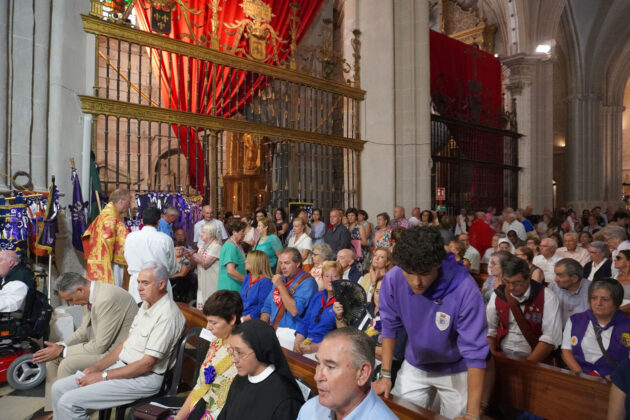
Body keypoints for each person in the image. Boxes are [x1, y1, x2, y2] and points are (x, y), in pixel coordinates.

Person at [373, 226, 488, 420]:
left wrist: (472, 413)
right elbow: (389, 326)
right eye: (409, 272)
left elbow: (475, 352)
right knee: (400, 414)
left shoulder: (464, 288)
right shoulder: (393, 278)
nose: (417, 282)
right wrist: (385, 376)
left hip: (456, 368)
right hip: (415, 363)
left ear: (438, 264)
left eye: (425, 273)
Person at [51, 262, 185, 419]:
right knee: (59, 388)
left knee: (69, 402)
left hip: (143, 379)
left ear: (162, 284)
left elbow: (146, 365)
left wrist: (103, 376)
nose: (139, 288)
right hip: (122, 367)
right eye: (139, 282)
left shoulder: (167, 315)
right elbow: (124, 344)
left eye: (145, 283)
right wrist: (96, 368)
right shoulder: (147, 305)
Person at [33, 273, 138, 414]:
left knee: (67, 363)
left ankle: (69, 411)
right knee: (51, 361)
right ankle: (54, 411)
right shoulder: (88, 296)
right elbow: (83, 331)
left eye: (70, 300)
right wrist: (61, 346)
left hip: (116, 353)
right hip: (100, 347)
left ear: (80, 290)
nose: (71, 304)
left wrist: (61, 352)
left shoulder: (106, 298)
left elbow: (101, 345)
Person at [297, 328, 398, 420]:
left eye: (330, 367)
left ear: (362, 373)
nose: (317, 377)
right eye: (318, 363)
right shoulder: (309, 410)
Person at [173, 290, 242, 420]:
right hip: (201, 409)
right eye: (207, 321)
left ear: (232, 319)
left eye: (214, 322)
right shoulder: (216, 343)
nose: (208, 327)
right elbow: (200, 386)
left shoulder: (243, 354)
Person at [218, 319, 304, 419]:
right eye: (233, 351)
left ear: (260, 350)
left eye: (240, 353)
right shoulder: (239, 380)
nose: (233, 359)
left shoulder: (286, 400)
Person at [486, 255, 562, 361]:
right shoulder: (498, 295)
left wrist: (526, 366)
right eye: (507, 282)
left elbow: (550, 338)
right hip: (501, 355)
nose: (511, 287)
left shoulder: (547, 297)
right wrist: (492, 357)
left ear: (528, 278)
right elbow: (490, 329)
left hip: (534, 359)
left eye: (517, 283)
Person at [561, 279, 630, 381]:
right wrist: (582, 376)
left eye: (605, 299)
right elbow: (566, 351)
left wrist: (617, 378)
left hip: (614, 382)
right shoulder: (576, 320)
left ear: (617, 302)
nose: (598, 303)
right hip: (580, 377)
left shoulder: (626, 326)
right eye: (594, 298)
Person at [260, 248, 318, 349]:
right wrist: (262, 328)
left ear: (298, 263)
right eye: (281, 263)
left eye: (287, 263)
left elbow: (294, 310)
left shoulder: (308, 282)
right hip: (274, 329)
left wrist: (281, 286)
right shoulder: (281, 278)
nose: (282, 267)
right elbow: (267, 307)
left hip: (292, 333)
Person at [124, 206, 177, 303]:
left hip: (137, 284)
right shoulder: (165, 239)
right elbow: (172, 267)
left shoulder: (130, 237)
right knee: (162, 315)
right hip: (159, 283)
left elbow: (127, 258)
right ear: (158, 221)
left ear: (142, 220)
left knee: (138, 315)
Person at [82, 188, 131, 286]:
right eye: (128, 202)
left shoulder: (102, 217)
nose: (130, 206)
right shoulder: (111, 219)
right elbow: (125, 243)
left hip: (102, 261)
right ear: (121, 201)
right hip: (111, 264)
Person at [294, 261, 342, 355]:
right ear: (322, 278)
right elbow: (305, 322)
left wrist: (317, 347)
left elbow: (342, 337)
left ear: (341, 278)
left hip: (327, 350)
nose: (330, 280)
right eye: (326, 276)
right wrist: (297, 342)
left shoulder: (344, 302)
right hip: (307, 343)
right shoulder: (317, 296)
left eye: (335, 276)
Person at [548, 258, 591, 326]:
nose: (555, 279)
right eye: (556, 275)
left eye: (560, 275)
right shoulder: (553, 287)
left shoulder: (591, 290)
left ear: (574, 278)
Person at [191, 223, 222, 308]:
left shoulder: (216, 246)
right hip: (202, 279)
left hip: (212, 280)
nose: (201, 234)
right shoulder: (202, 245)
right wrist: (190, 256)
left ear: (211, 234)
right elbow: (197, 262)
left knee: (212, 304)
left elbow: (205, 264)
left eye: (203, 232)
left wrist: (192, 254)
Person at [240, 251, 273, 321]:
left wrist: (245, 319)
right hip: (242, 315)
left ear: (255, 263)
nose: (245, 261)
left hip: (254, 319)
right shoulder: (247, 277)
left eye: (248, 260)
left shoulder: (265, 282)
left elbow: (262, 306)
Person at [218, 220, 247, 292]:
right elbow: (231, 270)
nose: (244, 234)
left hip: (236, 286)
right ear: (234, 232)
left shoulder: (237, 244)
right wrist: (248, 281)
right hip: (230, 287)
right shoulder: (230, 247)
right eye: (242, 232)